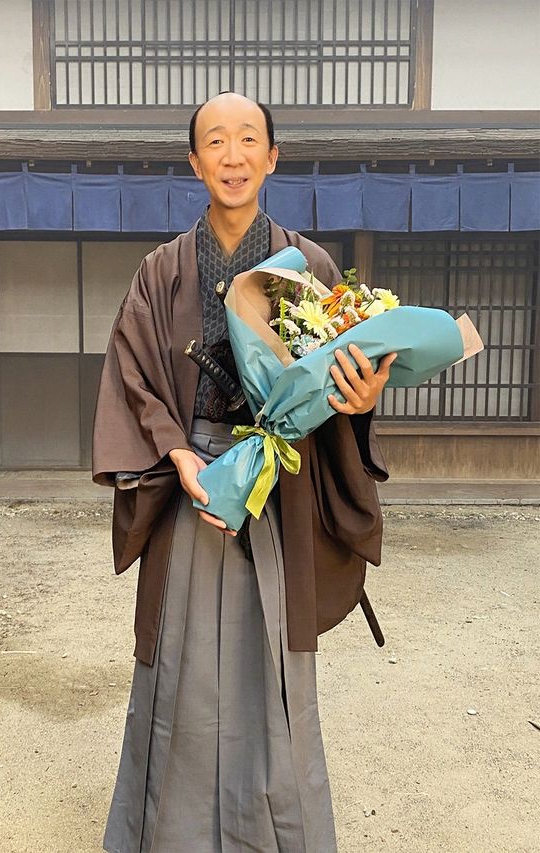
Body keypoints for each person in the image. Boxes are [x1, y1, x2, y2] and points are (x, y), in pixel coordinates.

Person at [92, 92, 395, 853]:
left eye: (248, 139)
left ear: (272, 156)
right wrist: (179, 451)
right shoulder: (161, 270)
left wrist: (358, 397)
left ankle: (277, 835)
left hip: (282, 484)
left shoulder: (312, 265)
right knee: (179, 672)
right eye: (216, 142)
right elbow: (131, 373)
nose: (233, 155)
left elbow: (340, 381)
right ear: (195, 162)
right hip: (191, 482)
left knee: (275, 665)